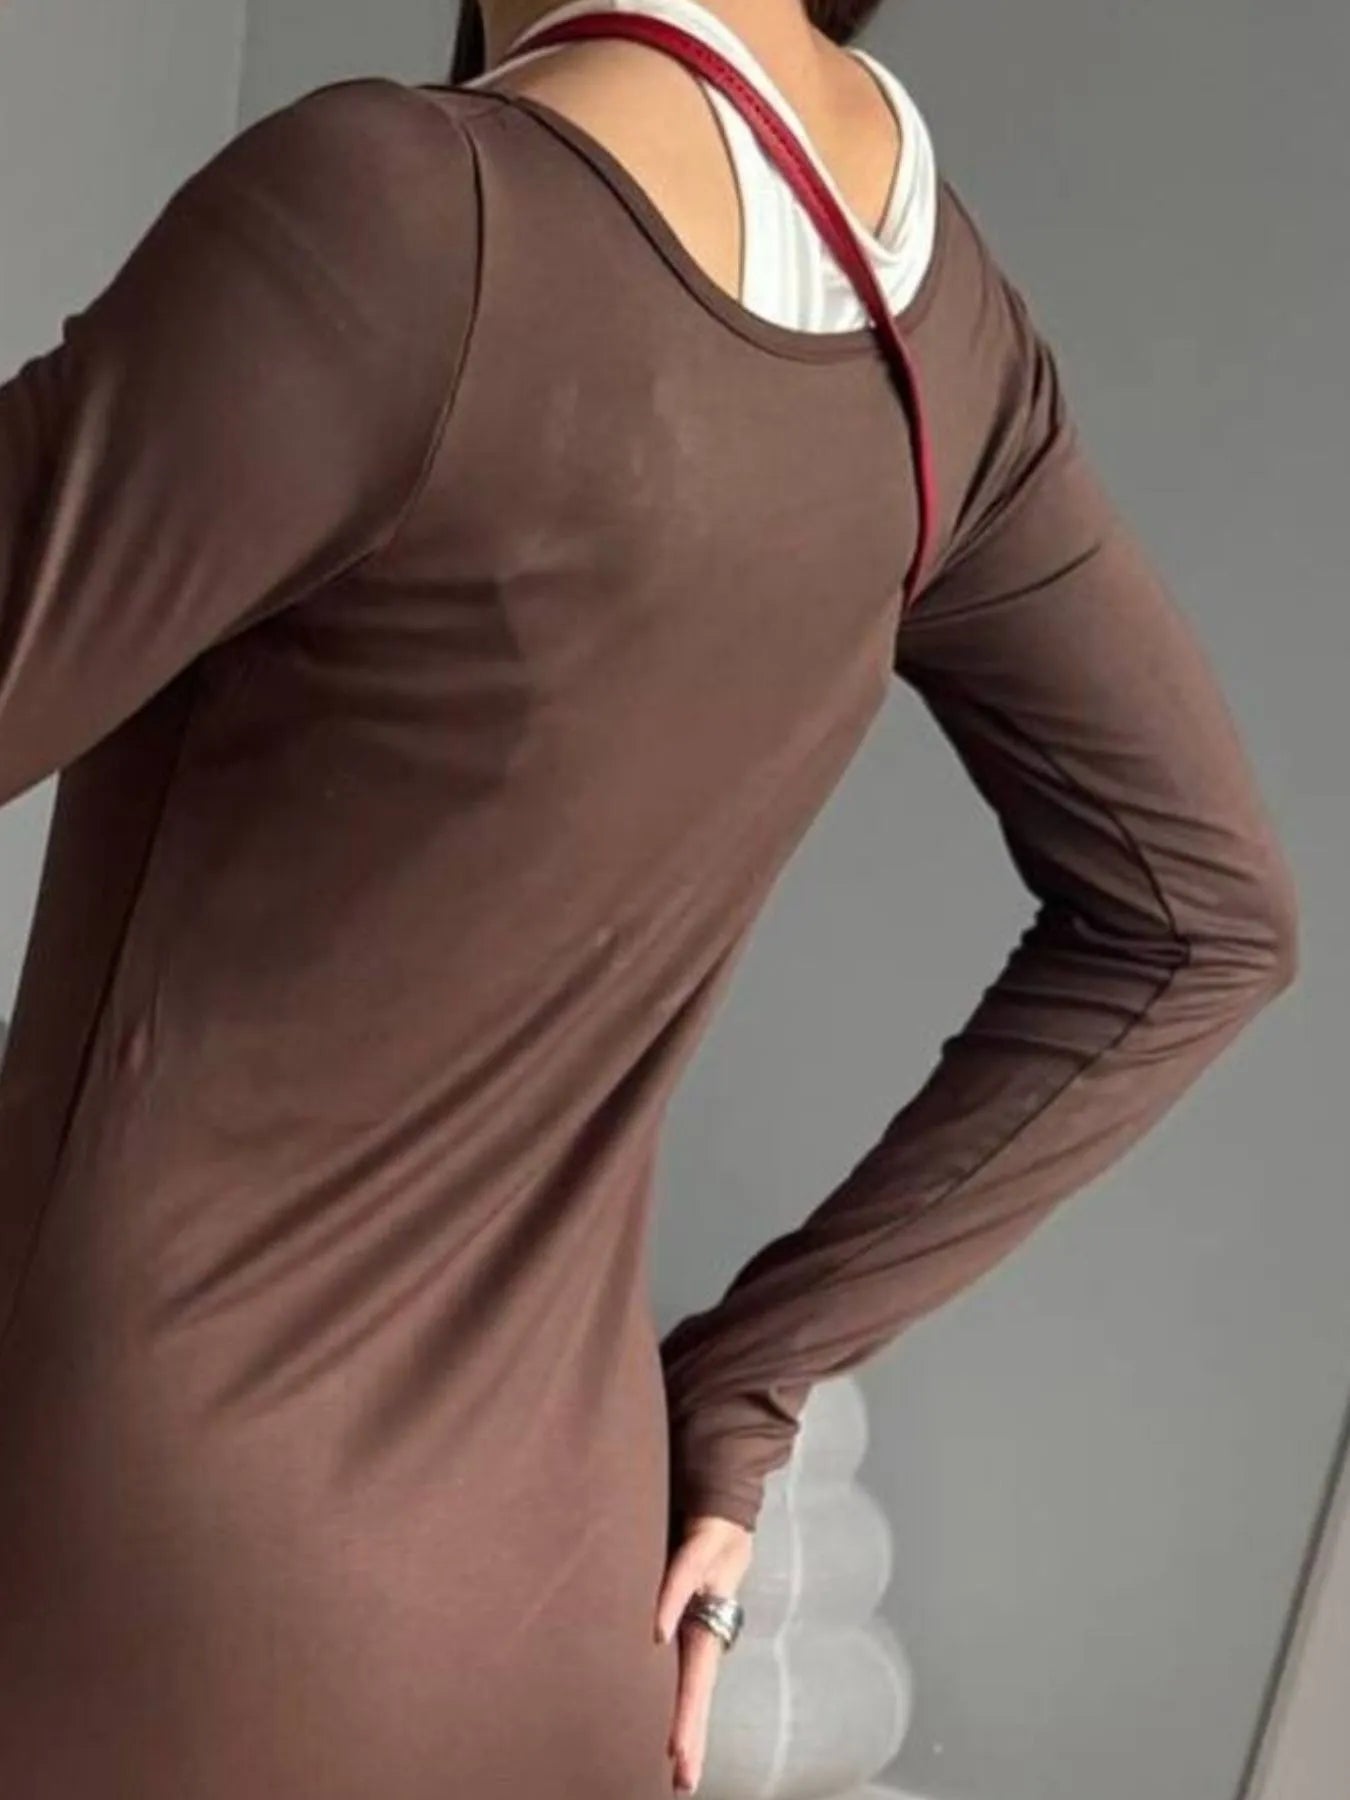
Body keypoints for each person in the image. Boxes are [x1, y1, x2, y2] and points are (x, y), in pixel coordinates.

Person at [0, 0, 1298, 1794]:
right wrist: (753, 1376)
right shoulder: (945, 337)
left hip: (138, 1589)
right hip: (558, 1598)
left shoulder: (397, 221)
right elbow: (1202, 918)